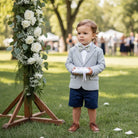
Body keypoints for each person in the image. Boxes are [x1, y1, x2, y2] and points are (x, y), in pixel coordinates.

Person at [65, 19, 106, 133]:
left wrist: (91, 70)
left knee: (92, 106)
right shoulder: (73, 50)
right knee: (75, 105)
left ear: (93, 35)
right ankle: (75, 123)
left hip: (91, 84)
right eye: (79, 33)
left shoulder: (98, 51)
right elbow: (68, 63)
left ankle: (92, 123)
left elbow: (102, 65)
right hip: (75, 83)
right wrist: (72, 69)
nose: (81, 36)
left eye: (85, 33)